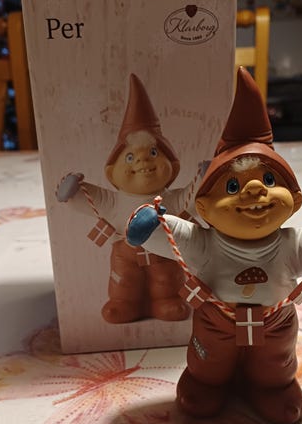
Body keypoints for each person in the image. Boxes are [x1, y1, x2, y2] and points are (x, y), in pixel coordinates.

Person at [126, 67, 302, 424]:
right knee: (208, 358)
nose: (255, 190)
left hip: (274, 320)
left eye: (270, 180)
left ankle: (273, 388)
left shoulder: (290, 245)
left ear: (295, 199)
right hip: (218, 321)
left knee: (275, 362)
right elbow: (179, 236)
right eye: (232, 187)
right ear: (204, 208)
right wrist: (152, 226)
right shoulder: (206, 245)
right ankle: (204, 382)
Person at [56, 73, 197, 324]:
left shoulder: (172, 199)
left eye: (153, 152)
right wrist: (72, 190)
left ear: (172, 166)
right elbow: (89, 198)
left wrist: (205, 178)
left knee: (166, 278)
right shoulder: (112, 201)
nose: (142, 161)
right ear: (112, 172)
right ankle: (123, 303)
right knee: (123, 279)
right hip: (125, 254)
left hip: (164, 253)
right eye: (130, 157)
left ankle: (167, 300)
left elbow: (192, 198)